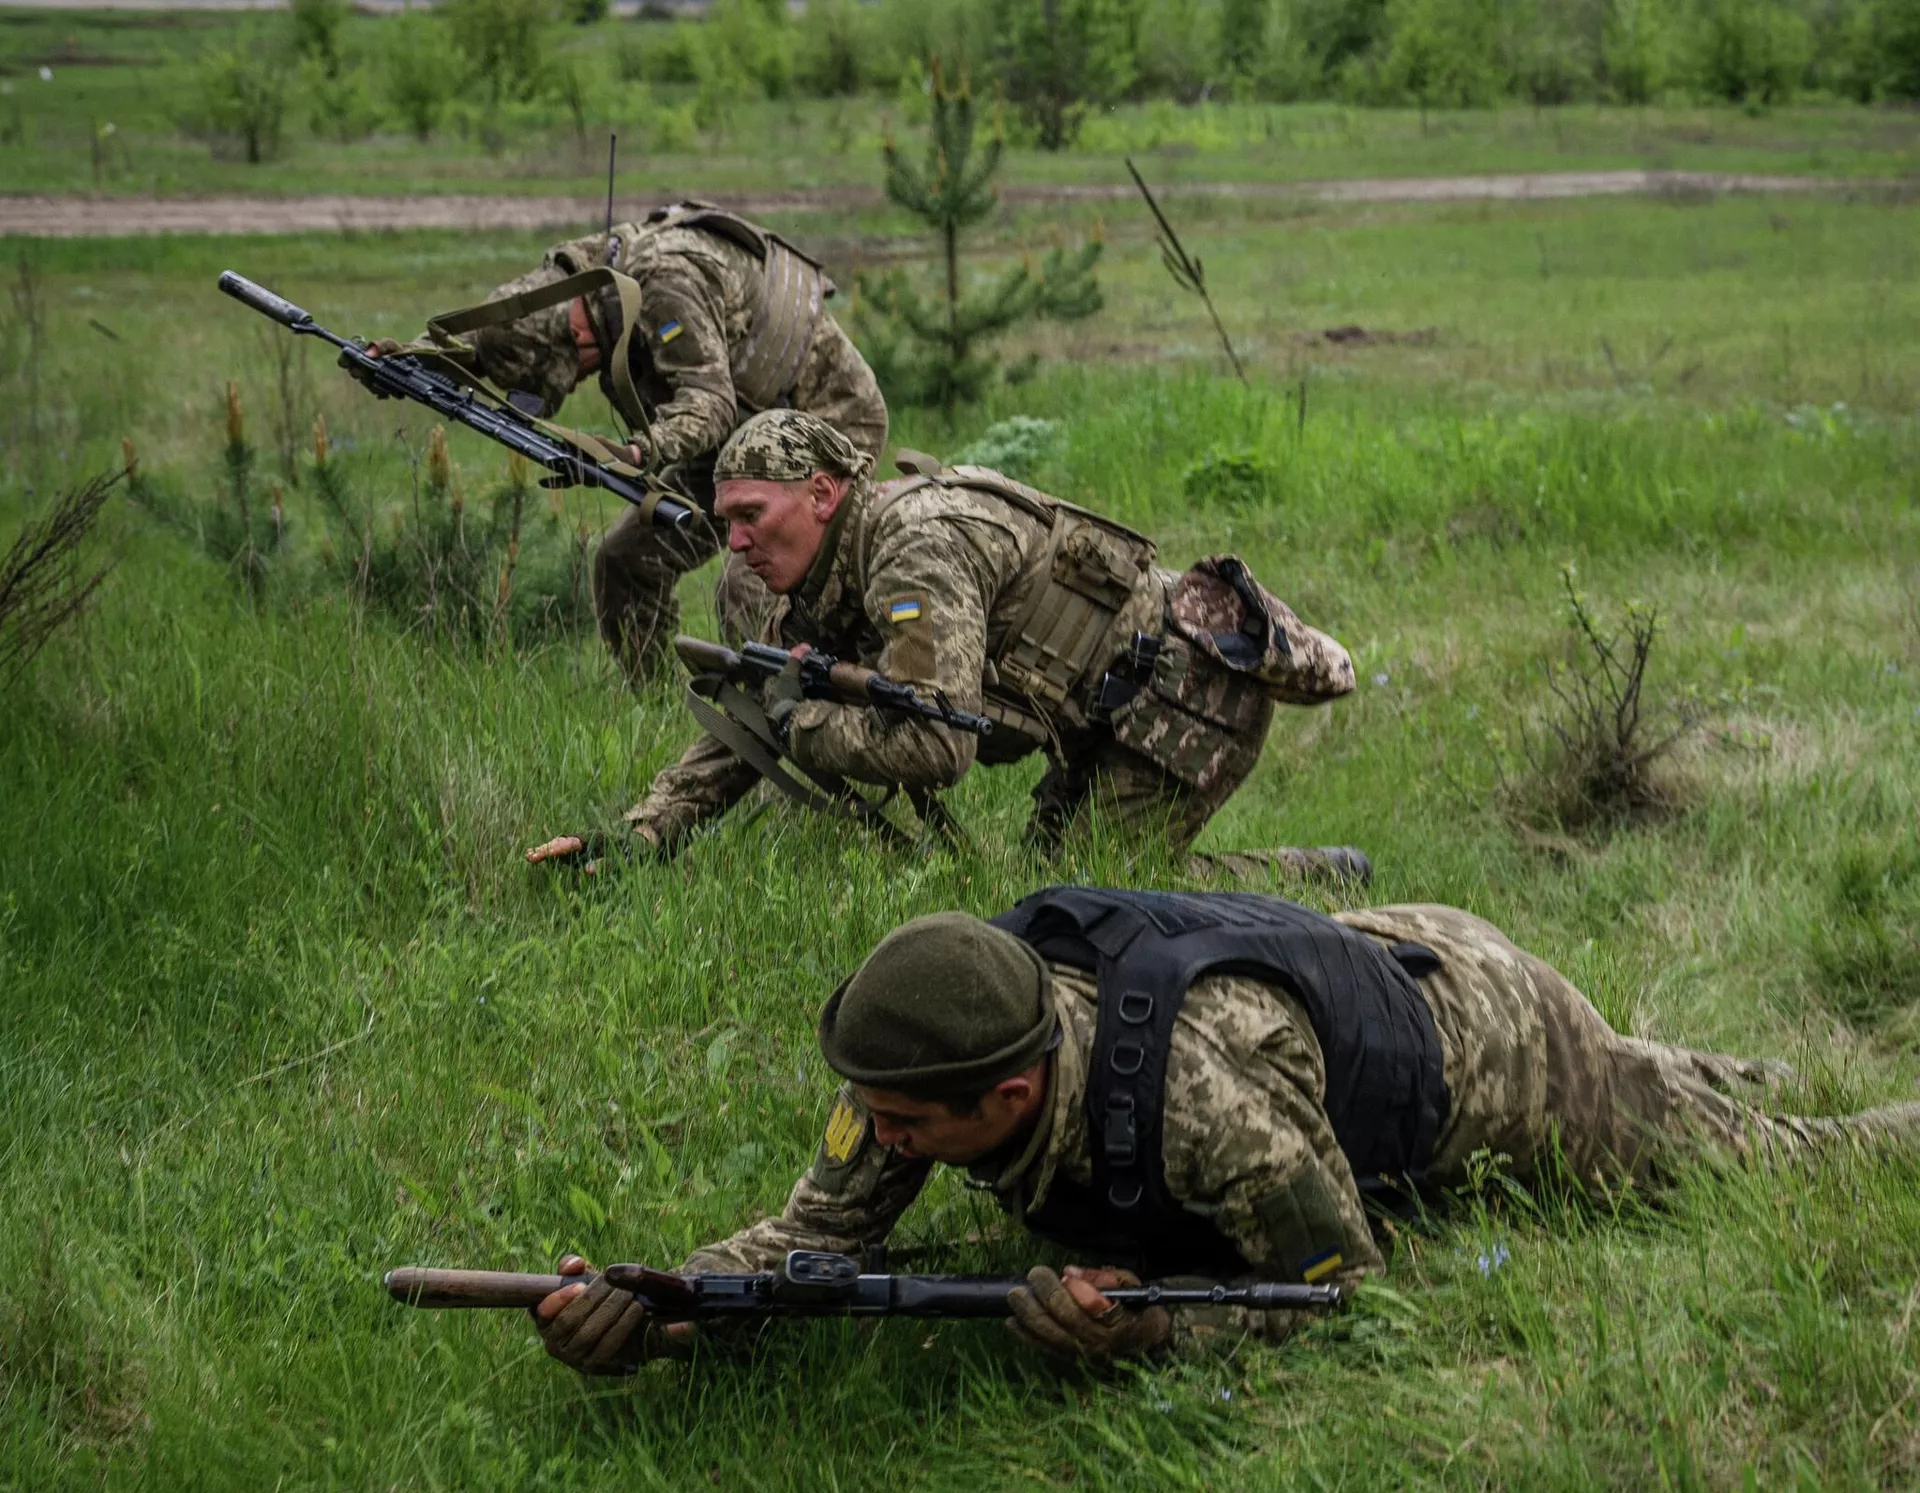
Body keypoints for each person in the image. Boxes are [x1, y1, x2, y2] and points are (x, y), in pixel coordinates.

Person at [532, 887, 1920, 1372]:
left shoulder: (1203, 1110)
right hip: (1331, 969)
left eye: (900, 1126)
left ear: (1007, 1099)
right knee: (1677, 1079)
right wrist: (663, 1301)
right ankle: (1709, 1063)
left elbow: (1349, 1287)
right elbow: (812, 1238)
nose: (875, 1142)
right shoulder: (926, 1054)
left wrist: (1159, 1329)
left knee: (1747, 1151)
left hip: (1488, 1037)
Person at [526, 411, 1367, 876]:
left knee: (1098, 905)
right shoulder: (828, 567)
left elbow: (936, 745)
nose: (735, 542)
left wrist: (801, 724)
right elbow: (755, 703)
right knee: (1038, 894)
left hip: (1185, 703)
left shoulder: (914, 550)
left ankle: (1312, 876)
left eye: (752, 515)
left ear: (821, 495)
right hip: (1100, 713)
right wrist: (639, 837)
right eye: (727, 520)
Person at [370, 203, 888, 681]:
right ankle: (659, 700)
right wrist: (412, 358)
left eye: (575, 372)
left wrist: (637, 452)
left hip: (826, 424)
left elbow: (711, 403)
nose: (580, 380)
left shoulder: (665, 285)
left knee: (748, 587)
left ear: (578, 337)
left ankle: (787, 719)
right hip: (742, 438)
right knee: (626, 559)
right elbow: (498, 329)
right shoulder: (571, 281)